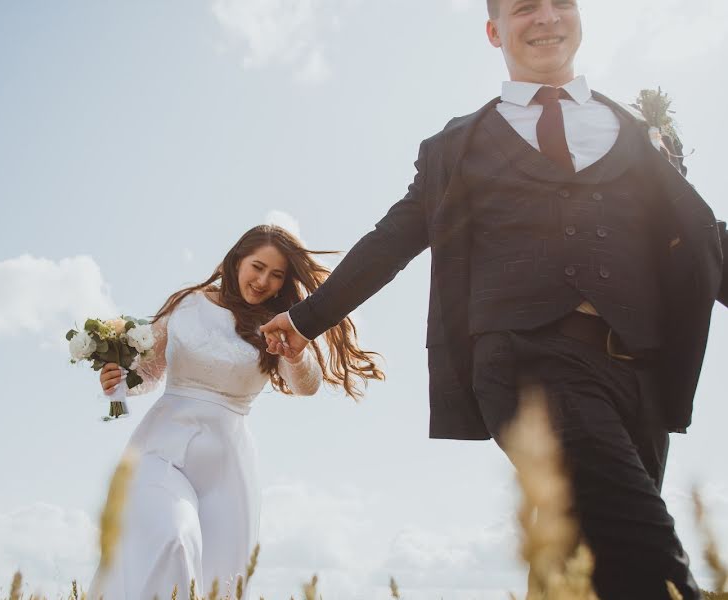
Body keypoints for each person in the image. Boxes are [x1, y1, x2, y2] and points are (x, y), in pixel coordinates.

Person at [260, 1, 728, 598]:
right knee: (645, 554)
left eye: (560, 2)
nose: (546, 17)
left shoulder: (638, 132)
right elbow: (392, 241)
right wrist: (306, 319)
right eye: (524, 7)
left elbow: (703, 242)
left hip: (638, 375)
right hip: (526, 362)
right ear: (493, 30)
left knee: (576, 557)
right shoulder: (456, 146)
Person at [88, 224, 383, 600]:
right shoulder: (188, 303)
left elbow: (304, 387)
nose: (263, 281)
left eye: (276, 275)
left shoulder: (279, 323)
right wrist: (118, 381)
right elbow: (148, 373)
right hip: (161, 447)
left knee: (219, 584)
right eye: (257, 267)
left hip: (227, 465)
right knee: (171, 538)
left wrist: (293, 350)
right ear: (236, 260)